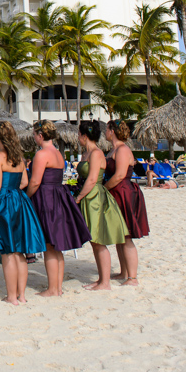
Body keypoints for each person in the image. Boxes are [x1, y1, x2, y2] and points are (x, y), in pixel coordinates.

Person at [0, 121, 46, 305]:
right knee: (19, 251)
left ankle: (11, 297)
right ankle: (22, 296)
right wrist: (13, 192)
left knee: (8, 252)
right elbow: (24, 182)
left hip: (4, 203)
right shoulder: (19, 156)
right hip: (19, 200)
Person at [26, 121, 91, 296]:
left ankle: (53, 289)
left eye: (34, 134)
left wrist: (26, 196)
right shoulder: (58, 154)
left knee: (49, 245)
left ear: (40, 135)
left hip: (46, 197)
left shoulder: (41, 154)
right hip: (58, 195)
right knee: (57, 246)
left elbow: (35, 181)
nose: (34, 137)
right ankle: (58, 287)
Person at [75, 121, 128, 291]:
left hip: (95, 196)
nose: (78, 138)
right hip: (88, 195)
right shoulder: (86, 153)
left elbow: (91, 179)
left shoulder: (96, 153)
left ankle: (105, 282)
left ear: (84, 136)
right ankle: (101, 279)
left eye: (79, 135)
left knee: (98, 239)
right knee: (93, 240)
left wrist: (79, 197)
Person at [104, 119, 150, 286]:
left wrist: (104, 189)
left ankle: (133, 277)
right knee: (119, 235)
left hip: (123, 192)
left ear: (112, 131)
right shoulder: (113, 150)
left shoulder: (122, 149)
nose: (105, 133)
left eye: (107, 129)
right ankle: (124, 271)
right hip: (115, 192)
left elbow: (120, 175)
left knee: (127, 235)